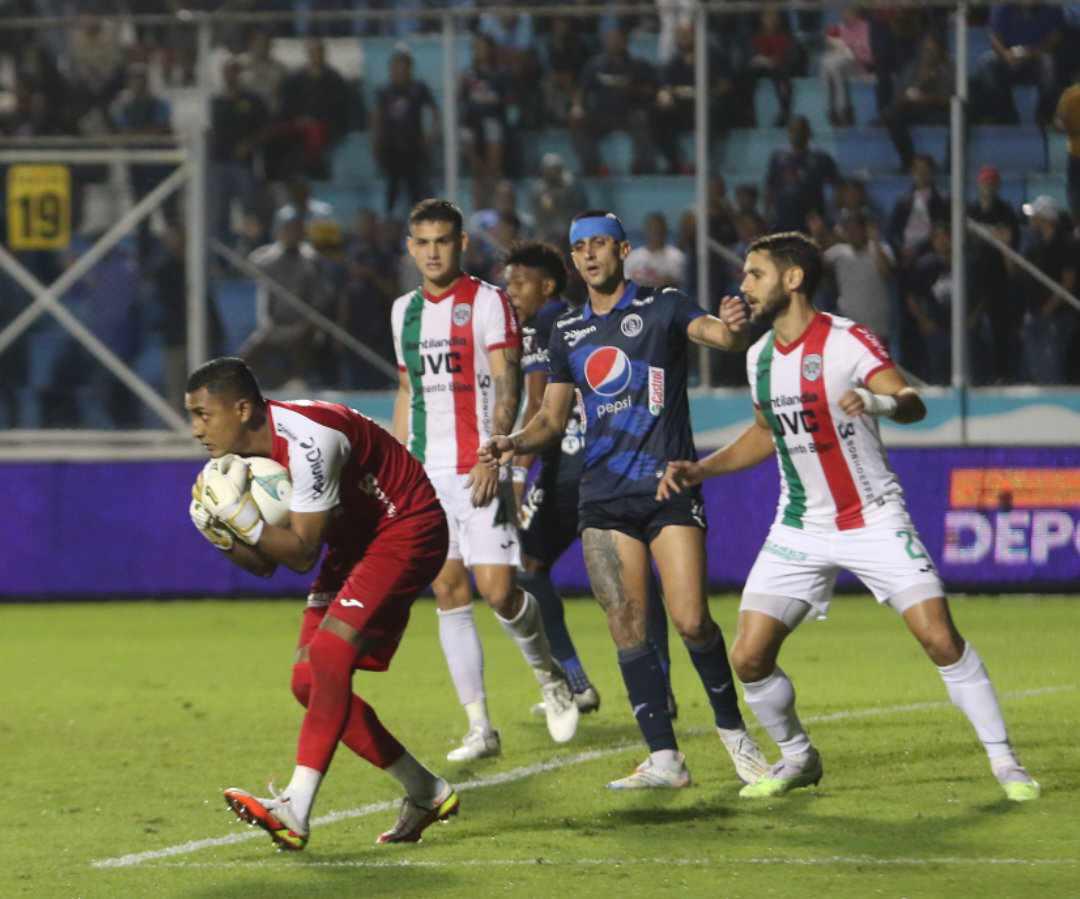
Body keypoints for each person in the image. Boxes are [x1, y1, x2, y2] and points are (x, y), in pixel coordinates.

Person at [656, 231, 1040, 802]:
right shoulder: (759, 357)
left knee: (938, 637)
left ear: (793, 279)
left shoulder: (846, 340)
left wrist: (877, 401)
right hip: (800, 526)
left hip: (874, 519)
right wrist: (702, 470)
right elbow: (766, 434)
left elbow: (910, 401)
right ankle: (798, 757)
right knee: (748, 656)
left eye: (755, 273)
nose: (743, 285)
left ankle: (1006, 763)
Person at [480, 210, 768, 790]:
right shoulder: (568, 332)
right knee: (626, 625)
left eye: (600, 245)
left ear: (623, 250)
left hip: (666, 490)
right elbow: (552, 419)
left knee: (691, 621)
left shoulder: (662, 306)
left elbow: (721, 336)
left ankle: (735, 735)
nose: (590, 256)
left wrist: (736, 324)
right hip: (603, 499)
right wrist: (511, 442)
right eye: (580, 247)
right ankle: (665, 758)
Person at [185, 357, 459, 850]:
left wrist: (238, 517)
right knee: (307, 681)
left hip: (406, 525)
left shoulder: (309, 441)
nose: (195, 429)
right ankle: (426, 790)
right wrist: (223, 537)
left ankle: (295, 806)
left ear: (243, 409)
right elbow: (268, 562)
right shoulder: (239, 465)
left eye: (204, 414)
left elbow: (302, 553)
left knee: (330, 654)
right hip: (355, 540)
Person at [390, 199, 579, 762]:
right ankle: (480, 727)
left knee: (498, 590)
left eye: (442, 241)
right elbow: (408, 392)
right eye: (422, 242)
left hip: (480, 467)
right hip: (426, 476)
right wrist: (400, 469)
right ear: (410, 247)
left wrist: (493, 453)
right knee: (448, 592)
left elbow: (507, 382)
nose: (432, 252)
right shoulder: (402, 311)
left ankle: (552, 678)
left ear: (461, 243)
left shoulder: (490, 302)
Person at [503, 240, 677, 717]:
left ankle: (575, 682)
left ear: (547, 285)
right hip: (612, 459)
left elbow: (541, 406)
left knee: (529, 567)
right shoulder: (587, 318)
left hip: (567, 464)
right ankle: (661, 685)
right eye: (507, 284)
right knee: (635, 572)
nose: (511, 293)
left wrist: (519, 471)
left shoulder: (545, 324)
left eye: (519, 283)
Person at [372, 47, 437, 215]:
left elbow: (434, 112)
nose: (399, 71)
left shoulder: (419, 89)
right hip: (391, 149)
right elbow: (376, 119)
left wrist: (430, 137)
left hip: (414, 148)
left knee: (417, 191)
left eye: (403, 67)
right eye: (396, 67)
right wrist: (377, 145)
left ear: (410, 69)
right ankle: (389, 223)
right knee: (392, 192)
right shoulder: (384, 92)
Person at [764, 116, 839, 233]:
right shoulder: (778, 158)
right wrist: (767, 213)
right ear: (788, 132)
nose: (797, 134)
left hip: (811, 220)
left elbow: (837, 186)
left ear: (808, 132)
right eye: (793, 130)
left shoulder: (821, 158)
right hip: (783, 219)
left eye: (801, 130)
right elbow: (770, 187)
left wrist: (831, 214)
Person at [624, 212, 687, 289]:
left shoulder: (676, 256)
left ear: (665, 231)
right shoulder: (632, 257)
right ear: (646, 230)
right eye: (652, 229)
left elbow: (676, 282)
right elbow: (625, 283)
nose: (655, 233)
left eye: (658, 229)